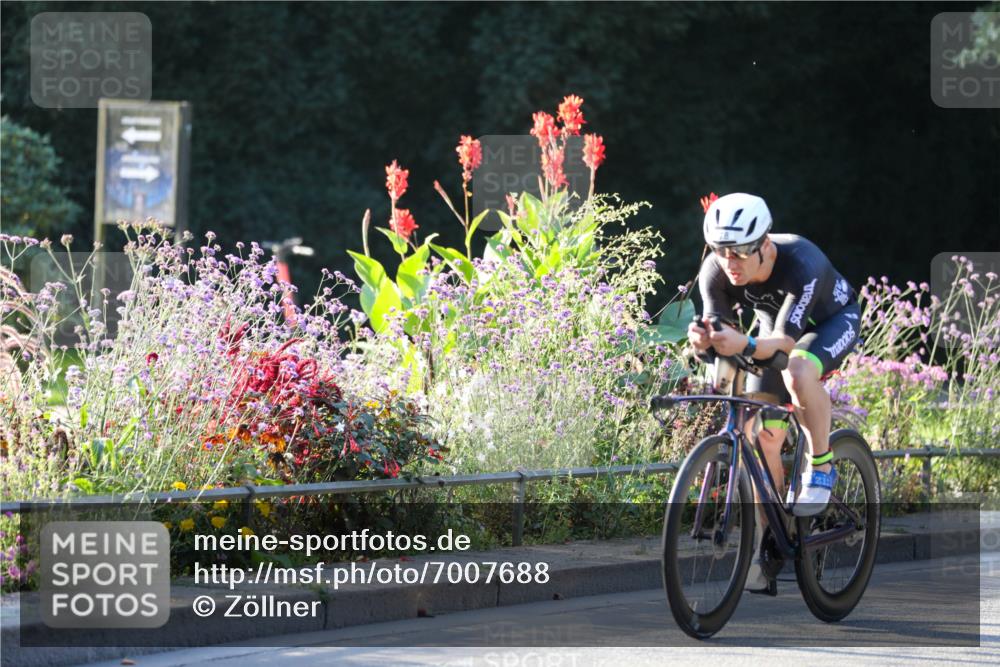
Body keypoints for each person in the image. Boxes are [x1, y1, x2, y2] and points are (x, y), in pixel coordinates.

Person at [686, 192, 861, 592]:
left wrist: (743, 345)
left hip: (831, 322)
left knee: (798, 371)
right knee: (758, 433)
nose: (729, 262)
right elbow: (720, 337)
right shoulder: (715, 270)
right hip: (774, 331)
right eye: (719, 250)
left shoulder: (801, 261)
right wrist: (703, 344)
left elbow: (783, 344)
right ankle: (772, 545)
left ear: (765, 245)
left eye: (740, 253)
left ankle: (821, 464)